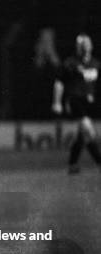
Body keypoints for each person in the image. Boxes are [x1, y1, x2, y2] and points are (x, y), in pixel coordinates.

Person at [52, 33, 101, 174]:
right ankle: (99, 161)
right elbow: (59, 83)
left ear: (91, 45)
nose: (85, 46)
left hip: (89, 103)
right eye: (82, 44)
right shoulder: (70, 63)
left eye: (87, 43)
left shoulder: (96, 64)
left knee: (82, 137)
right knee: (90, 132)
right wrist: (57, 102)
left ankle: (73, 165)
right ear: (78, 47)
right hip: (75, 101)